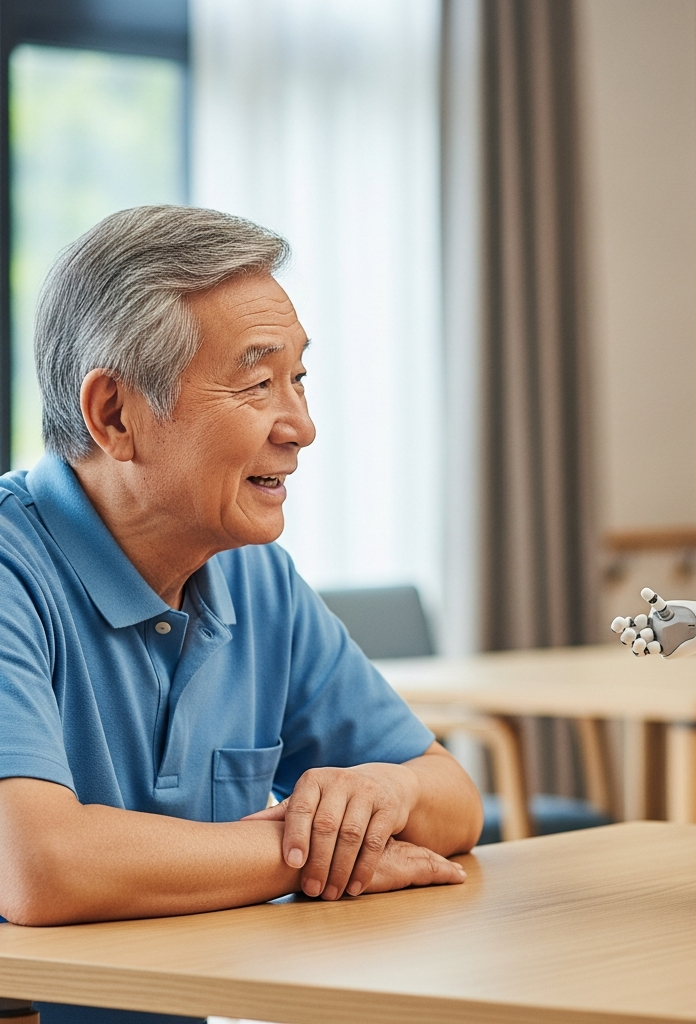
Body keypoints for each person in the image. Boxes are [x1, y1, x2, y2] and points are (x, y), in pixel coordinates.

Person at [0, 206, 483, 1024]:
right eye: (259, 384)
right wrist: (308, 853)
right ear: (114, 414)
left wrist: (379, 796)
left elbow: (452, 799)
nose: (301, 427)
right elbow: (41, 867)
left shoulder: (255, 578)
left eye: (299, 380)